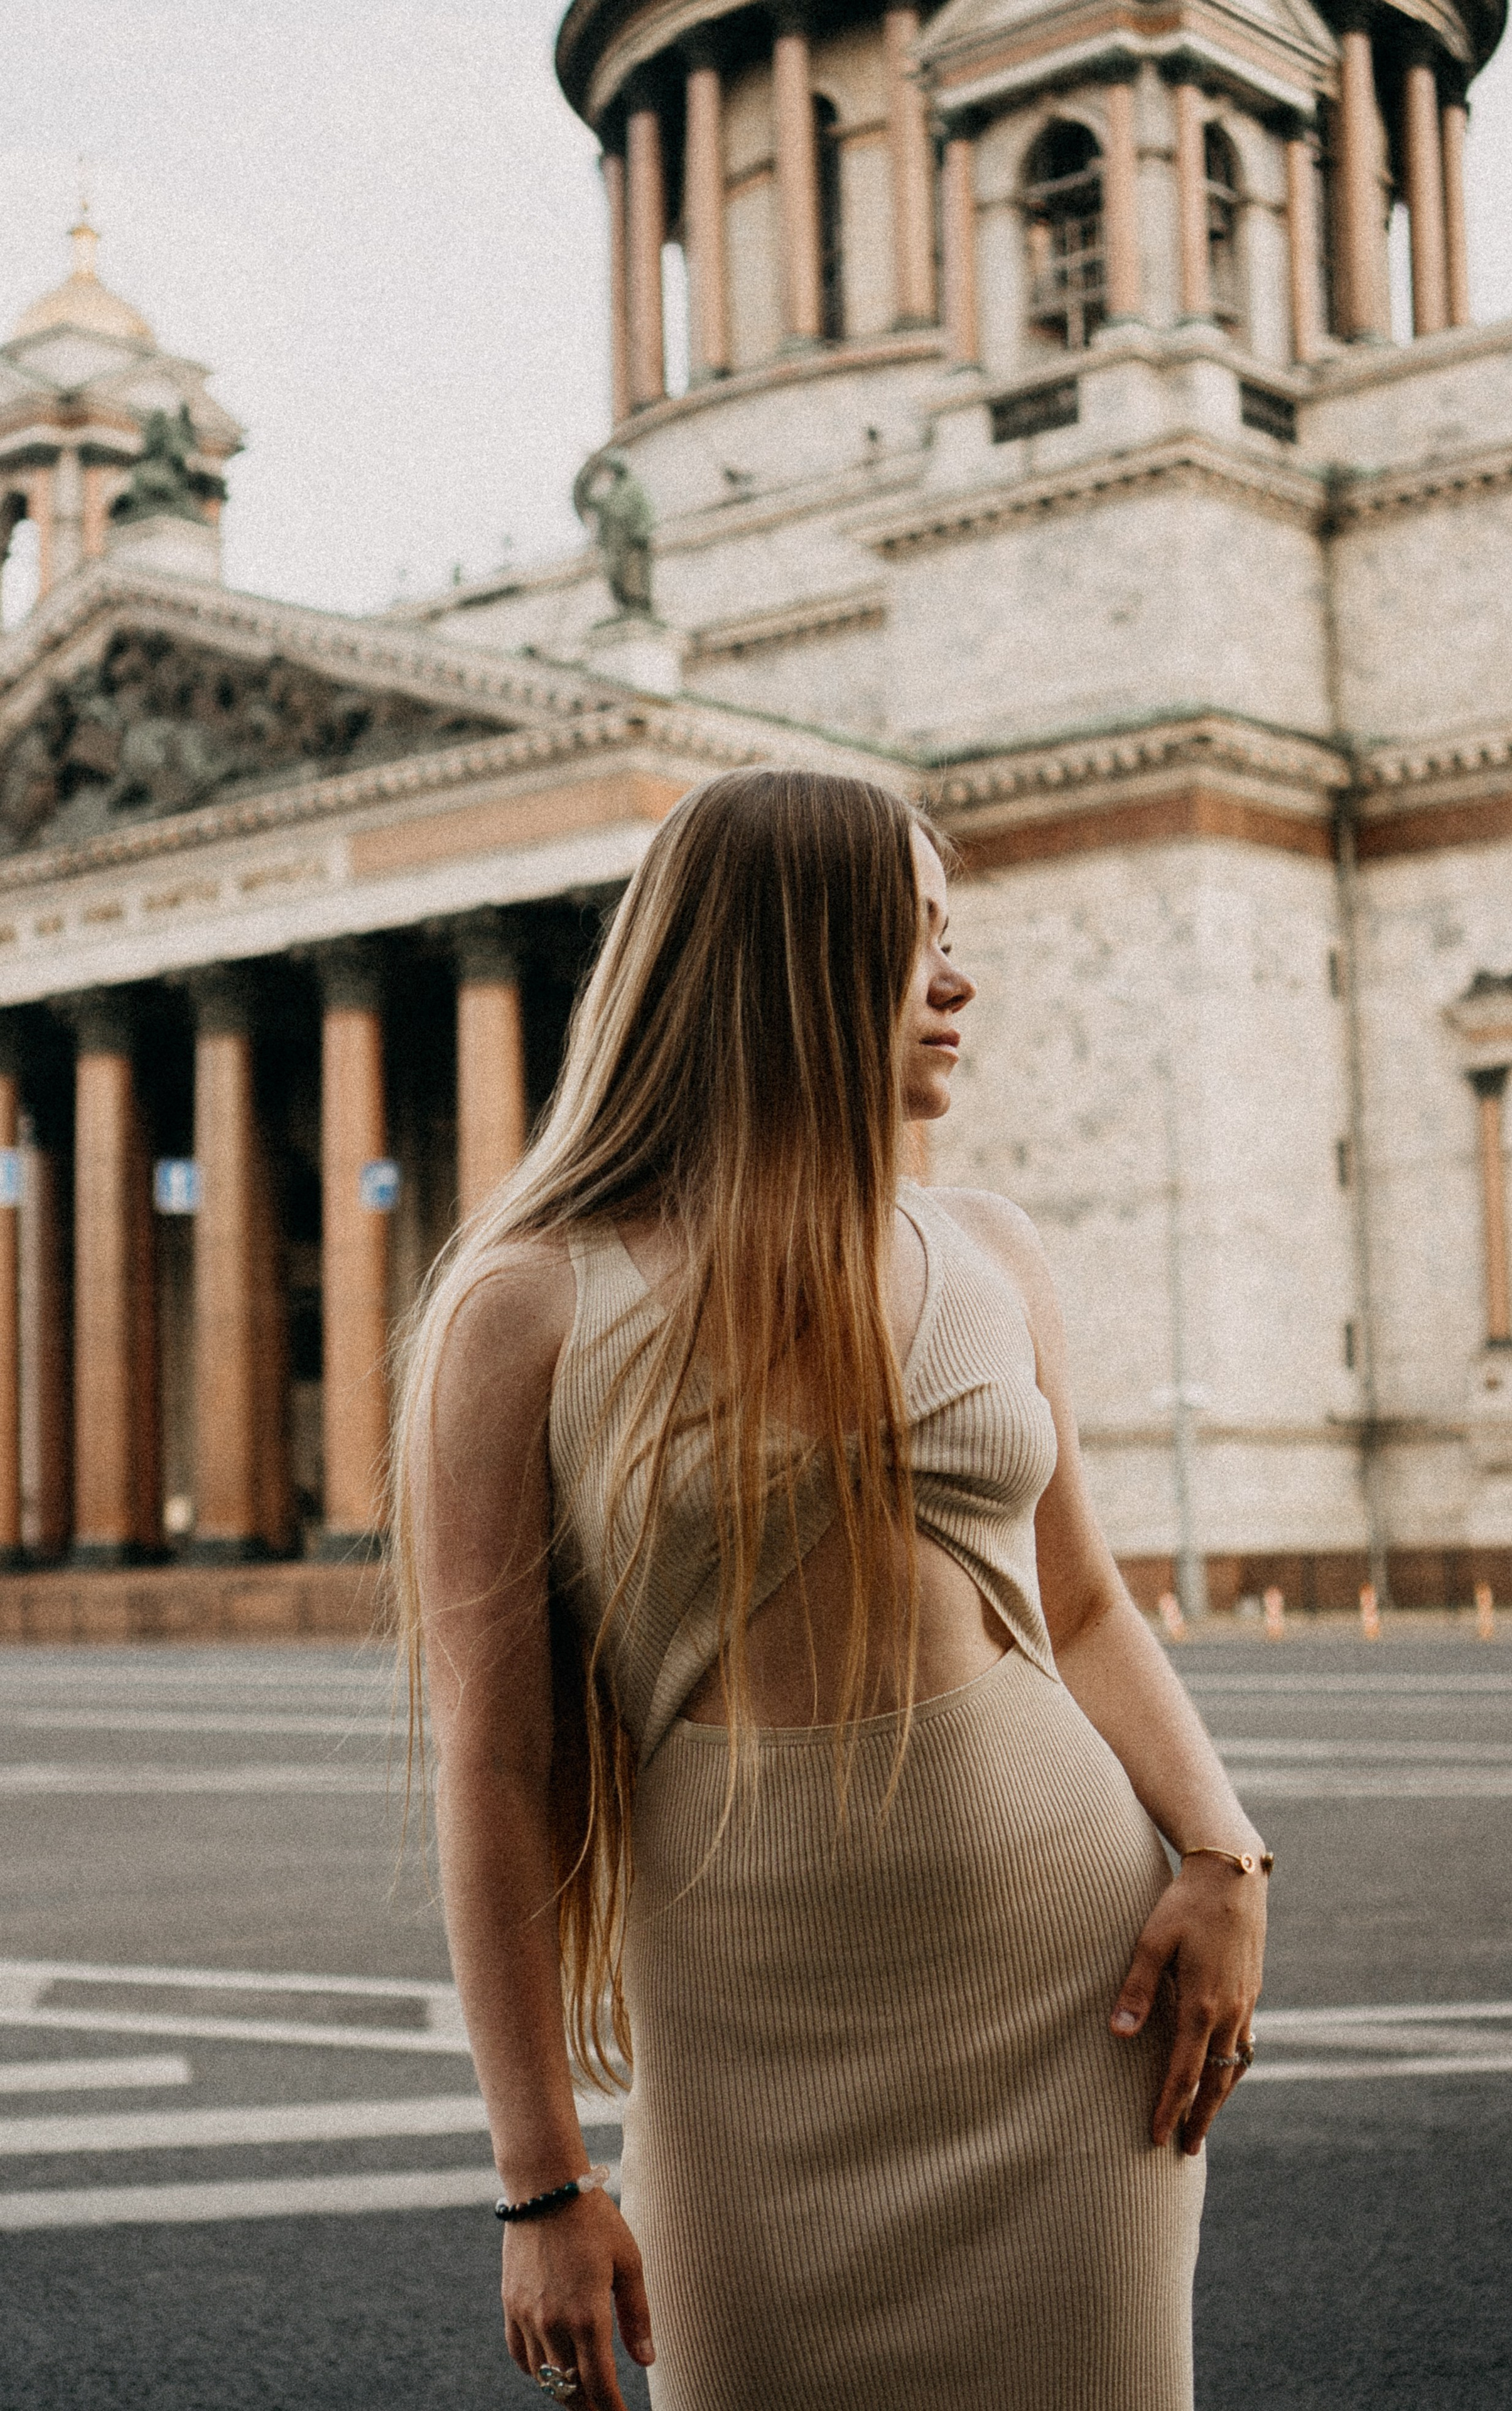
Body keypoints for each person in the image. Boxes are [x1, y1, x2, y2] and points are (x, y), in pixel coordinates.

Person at [392, 768, 1268, 2411]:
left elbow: (1078, 1606)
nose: (961, 981)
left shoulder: (993, 1249)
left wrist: (1226, 1851)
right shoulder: (522, 1306)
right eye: (912, 941)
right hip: (746, 2061)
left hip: (1072, 2021)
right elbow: (496, 1763)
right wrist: (540, 2182)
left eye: (956, 938)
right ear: (781, 965)